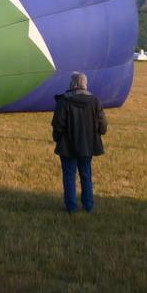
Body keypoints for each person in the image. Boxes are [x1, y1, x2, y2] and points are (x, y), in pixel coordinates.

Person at [51, 72, 108, 213]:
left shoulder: (64, 101)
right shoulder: (94, 101)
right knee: (86, 175)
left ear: (72, 84)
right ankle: (88, 205)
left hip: (67, 146)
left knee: (69, 176)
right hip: (88, 145)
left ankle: (71, 207)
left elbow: (58, 124)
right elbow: (103, 123)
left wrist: (57, 138)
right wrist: (99, 133)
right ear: (84, 84)